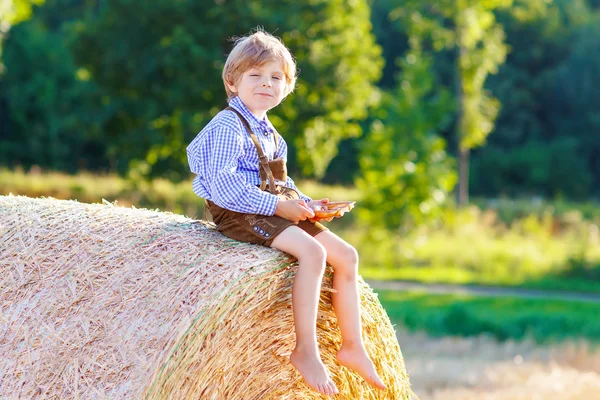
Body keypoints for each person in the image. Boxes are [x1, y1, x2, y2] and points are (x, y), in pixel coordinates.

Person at [186, 30, 386, 396]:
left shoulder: (272, 134)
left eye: (276, 77)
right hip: (237, 212)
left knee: (347, 256)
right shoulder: (228, 125)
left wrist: (309, 206)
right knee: (313, 253)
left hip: (268, 207)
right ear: (233, 81)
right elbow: (224, 186)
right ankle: (306, 351)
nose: (267, 84)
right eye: (256, 76)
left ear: (287, 86)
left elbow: (282, 184)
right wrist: (281, 207)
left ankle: (352, 346)